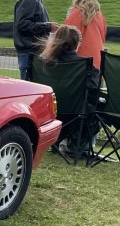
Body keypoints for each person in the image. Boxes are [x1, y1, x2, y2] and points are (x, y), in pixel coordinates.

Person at [40, 24, 101, 159]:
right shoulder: (85, 66)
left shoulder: (42, 63)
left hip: (49, 113)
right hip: (76, 115)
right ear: (77, 44)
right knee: (96, 108)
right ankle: (75, 146)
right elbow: (94, 90)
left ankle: (57, 142)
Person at [13, 0, 61, 80]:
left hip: (32, 53)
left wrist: (48, 25)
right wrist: (48, 27)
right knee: (30, 90)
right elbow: (22, 25)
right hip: (29, 54)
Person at [63, 0, 107, 71]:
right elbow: (103, 38)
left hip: (79, 65)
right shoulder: (99, 15)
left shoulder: (75, 14)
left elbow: (67, 41)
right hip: (97, 65)